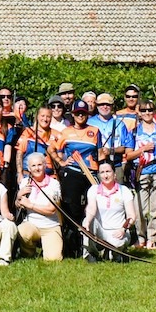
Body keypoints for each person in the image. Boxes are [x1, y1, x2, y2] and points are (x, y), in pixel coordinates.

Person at [49, 99, 101, 258]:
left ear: (87, 115)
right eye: (77, 113)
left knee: (91, 208)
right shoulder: (65, 132)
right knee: (72, 209)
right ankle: (72, 247)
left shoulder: (95, 131)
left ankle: (90, 245)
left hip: (90, 175)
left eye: (83, 113)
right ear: (72, 114)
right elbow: (51, 148)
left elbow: (100, 153)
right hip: (72, 173)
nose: (80, 116)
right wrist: (61, 162)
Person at [128, 108, 156, 250]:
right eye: (144, 110)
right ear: (140, 113)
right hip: (142, 171)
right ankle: (141, 237)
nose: (147, 113)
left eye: (150, 110)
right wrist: (143, 149)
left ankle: (152, 238)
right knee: (139, 208)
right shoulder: (134, 131)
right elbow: (128, 155)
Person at [83, 158, 139, 262]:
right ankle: (91, 255)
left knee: (116, 249)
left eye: (108, 171)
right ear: (99, 175)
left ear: (114, 174)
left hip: (119, 231)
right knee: (87, 221)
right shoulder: (93, 190)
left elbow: (132, 216)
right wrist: (87, 221)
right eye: (102, 172)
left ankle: (115, 252)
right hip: (101, 230)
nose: (105, 175)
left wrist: (123, 229)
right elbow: (91, 208)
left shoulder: (124, 191)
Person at [14, 152, 63, 260]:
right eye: (33, 166)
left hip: (51, 226)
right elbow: (18, 205)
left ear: (45, 166)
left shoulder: (54, 184)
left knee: (53, 259)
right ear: (29, 168)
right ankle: (28, 253)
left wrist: (30, 205)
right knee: (22, 230)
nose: (37, 168)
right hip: (31, 224)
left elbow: (51, 210)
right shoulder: (25, 182)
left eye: (40, 165)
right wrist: (18, 196)